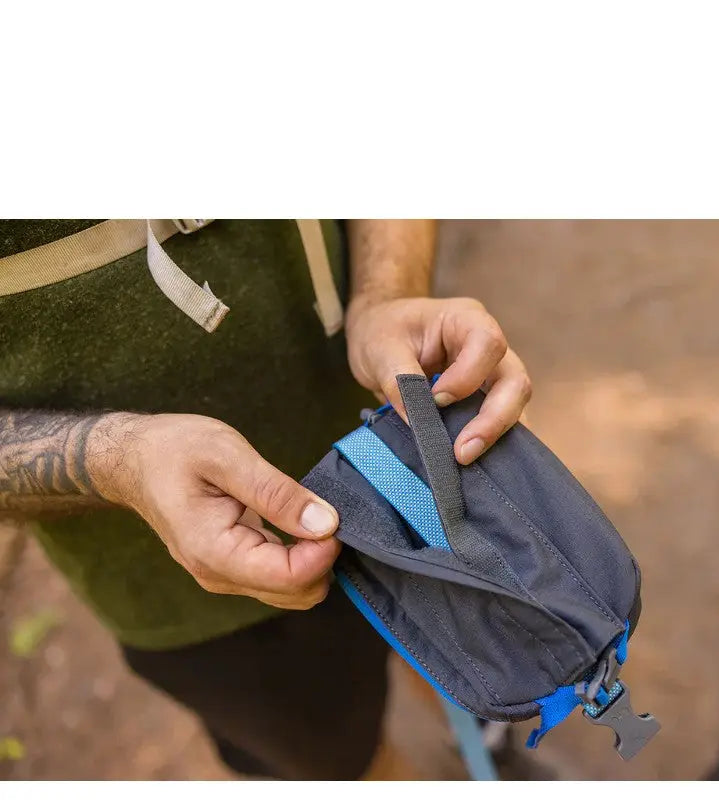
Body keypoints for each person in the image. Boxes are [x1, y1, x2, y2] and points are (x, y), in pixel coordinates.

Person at [0, 220, 532, 779]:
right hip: (200, 590)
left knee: (464, 641)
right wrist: (117, 460)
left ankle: (486, 730)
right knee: (343, 765)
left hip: (397, 455)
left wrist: (386, 294)